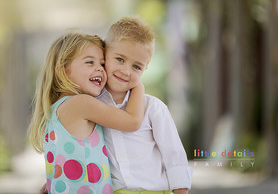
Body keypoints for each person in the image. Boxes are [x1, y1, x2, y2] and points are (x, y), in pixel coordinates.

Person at [40, 16, 192, 194]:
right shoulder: (91, 107)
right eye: (119, 59)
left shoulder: (153, 107)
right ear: (106, 54)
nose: (126, 71)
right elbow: (79, 150)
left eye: (137, 67)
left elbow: (175, 156)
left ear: (145, 69)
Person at [28, 32, 145, 194]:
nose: (99, 68)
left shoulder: (55, 109)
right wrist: (138, 85)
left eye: (103, 64)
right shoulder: (81, 104)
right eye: (90, 62)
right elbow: (132, 121)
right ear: (63, 71)